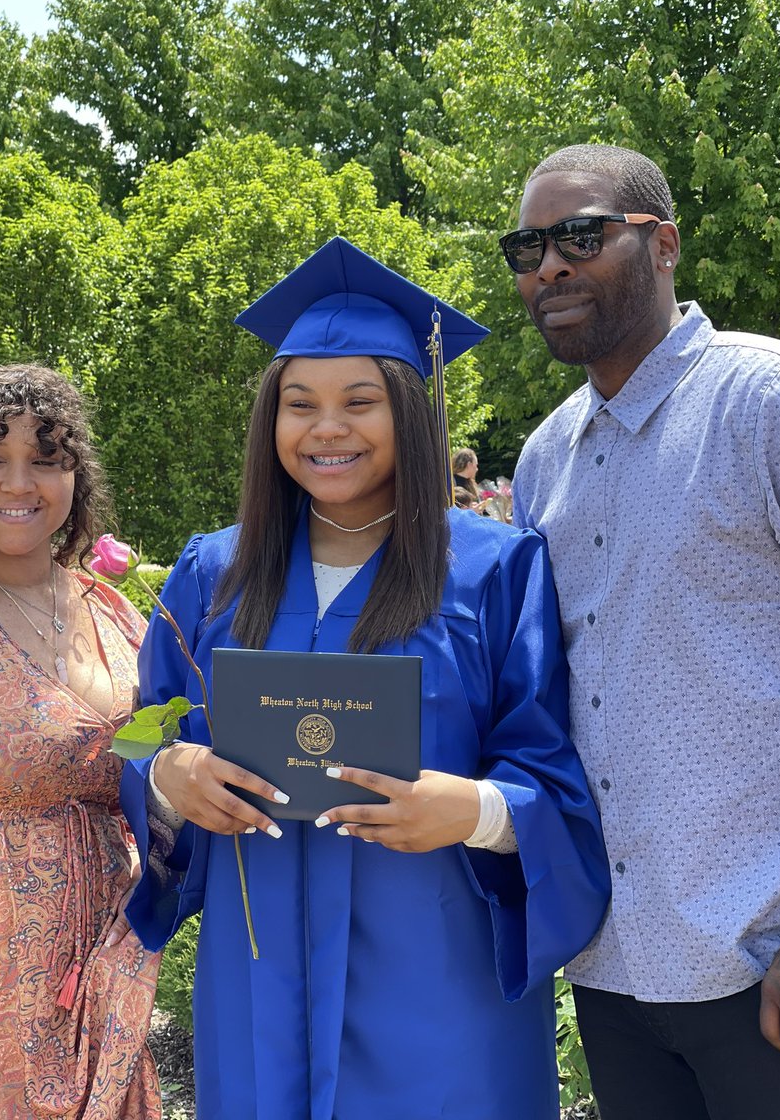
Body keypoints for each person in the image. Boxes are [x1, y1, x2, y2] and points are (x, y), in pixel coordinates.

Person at [121, 236, 610, 1120]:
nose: (326, 428)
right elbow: (145, 723)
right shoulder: (213, 572)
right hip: (259, 965)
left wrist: (478, 810)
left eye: (360, 401)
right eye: (298, 403)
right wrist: (168, 772)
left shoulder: (493, 569)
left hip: (437, 969)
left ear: (412, 416)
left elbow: (549, 771)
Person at [501, 144, 780, 1119]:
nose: (549, 265)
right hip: (614, 967)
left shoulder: (773, 403)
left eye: (582, 235)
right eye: (528, 246)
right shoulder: (546, 462)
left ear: (664, 243)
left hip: (771, 966)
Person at [0, 365, 161, 1118]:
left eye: (46, 458)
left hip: (98, 969)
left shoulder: (112, 609)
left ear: (74, 478)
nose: (18, 482)